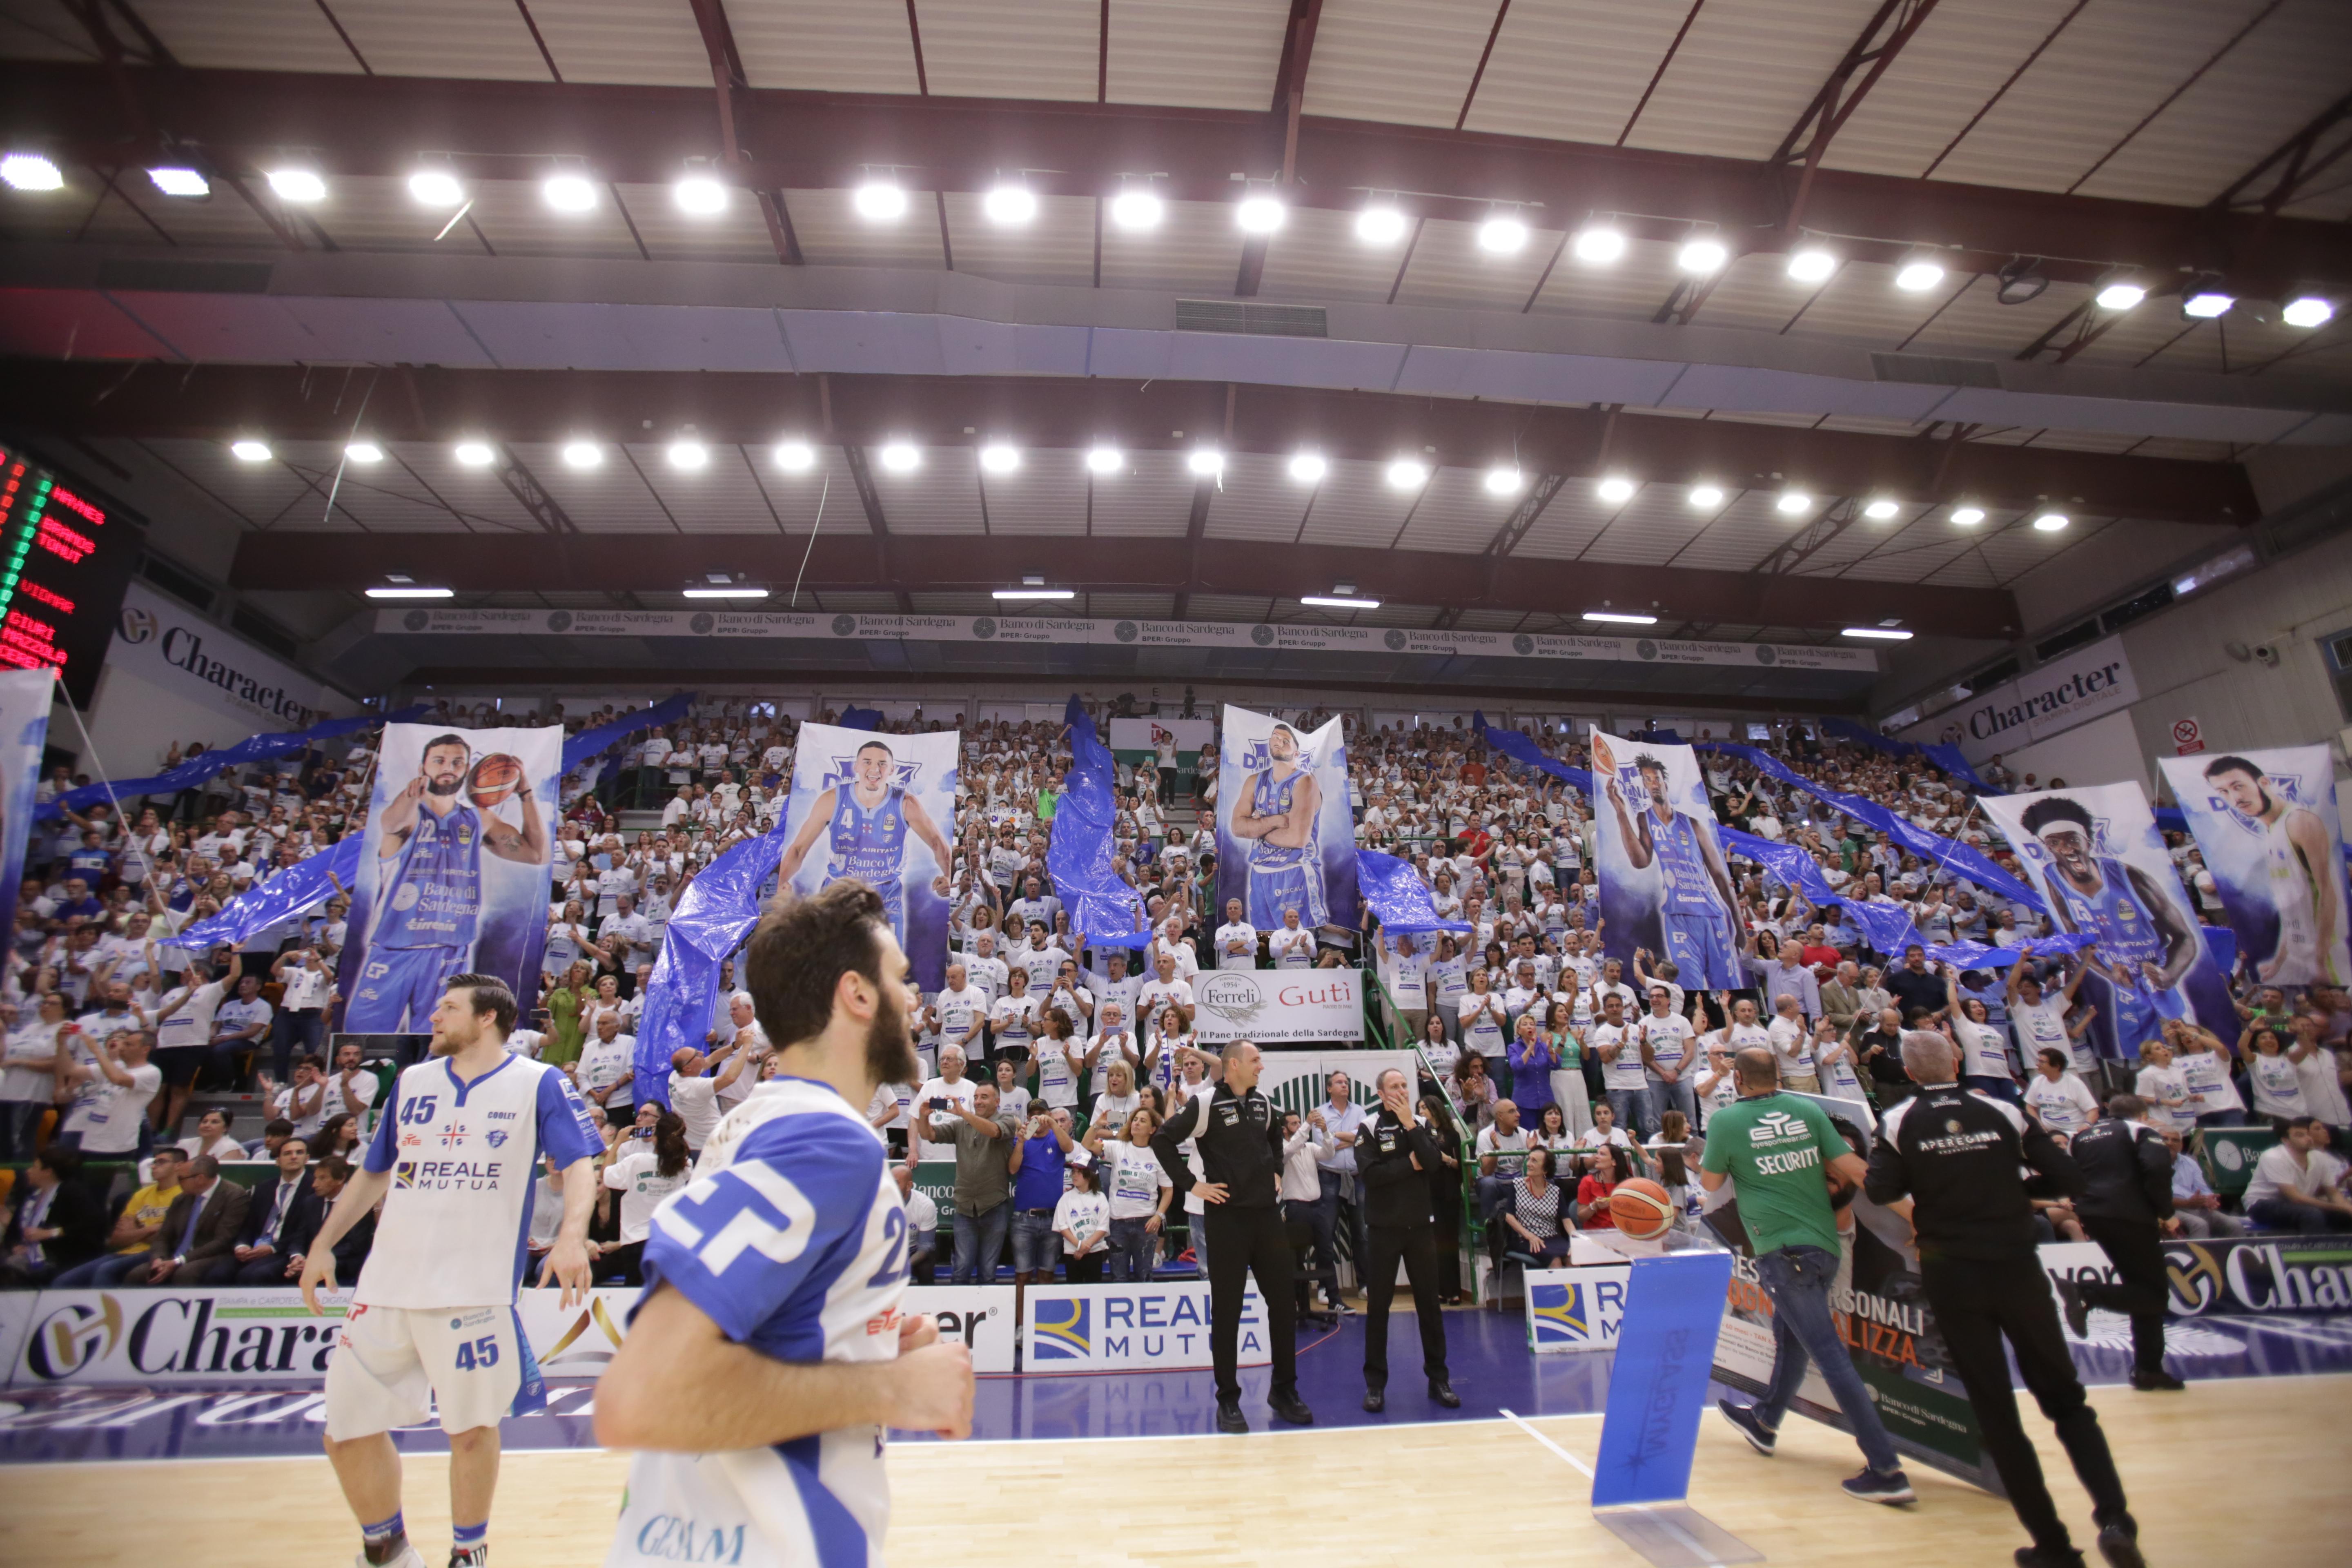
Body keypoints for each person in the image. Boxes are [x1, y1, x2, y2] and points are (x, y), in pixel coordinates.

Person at [596, 880, 976, 1567]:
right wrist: (891, 1389)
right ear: (857, 995)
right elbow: (643, 1397)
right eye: (900, 979)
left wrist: (864, 1346)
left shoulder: (757, 1121)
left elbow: (755, 1333)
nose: (915, 1001)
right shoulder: (826, 1142)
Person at [300, 973, 601, 1568]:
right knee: (345, 1431)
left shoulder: (538, 1081)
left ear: (488, 1018)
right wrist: (323, 1244)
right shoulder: (413, 1080)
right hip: (387, 1284)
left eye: (449, 1007)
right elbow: (374, 1171)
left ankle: (469, 1553)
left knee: (469, 1430)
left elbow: (580, 1163)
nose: (434, 1017)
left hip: (473, 1288)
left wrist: (572, 1235)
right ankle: (388, 1548)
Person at [1864, 1031, 2143, 1568]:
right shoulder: (2004, 1110)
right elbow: (2067, 1177)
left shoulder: (1898, 1121)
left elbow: (1880, 1190)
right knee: (2067, 1400)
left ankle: (2053, 1546)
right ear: (1957, 1061)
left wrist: (1936, 1184)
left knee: (1998, 1415)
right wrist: (2013, 1189)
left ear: (1910, 1073)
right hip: (2016, 1266)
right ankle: (2115, 1521)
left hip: (1952, 1272)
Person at [1706, 1047, 1914, 1506]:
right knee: (1792, 1340)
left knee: (1830, 1357)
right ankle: (1765, 1422)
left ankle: (1887, 1469)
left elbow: (1710, 1183)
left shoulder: (1726, 1121)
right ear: (1778, 1075)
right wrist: (1915, 1215)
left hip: (1783, 1254)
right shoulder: (1808, 1110)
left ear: (1738, 1079)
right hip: (1824, 1249)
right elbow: (1859, 1170)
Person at [1152, 1039, 1312, 1434]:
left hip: (1267, 1217)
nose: (1262, 1066)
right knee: (1228, 1312)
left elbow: (1275, 1139)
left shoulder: (1264, 1103)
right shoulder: (1206, 1103)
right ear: (1235, 1065)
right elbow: (1162, 1140)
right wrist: (1193, 1185)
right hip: (1226, 1220)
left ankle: (1284, 1390)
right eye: (1256, 1060)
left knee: (1284, 1304)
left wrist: (1276, 1170)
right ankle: (1228, 1399)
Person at [345, 735, 547, 1032]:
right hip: (395, 945)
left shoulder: (478, 819)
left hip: (451, 949)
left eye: (457, 762)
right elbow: (391, 824)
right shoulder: (408, 813)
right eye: (439, 761)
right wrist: (411, 795)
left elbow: (537, 854)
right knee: (363, 1038)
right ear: (423, 767)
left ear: (468, 771)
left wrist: (526, 793)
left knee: (440, 1043)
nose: (448, 768)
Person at [774, 737, 956, 951]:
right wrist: (782, 883)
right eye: (867, 762)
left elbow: (937, 844)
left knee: (887, 965)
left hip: (886, 895)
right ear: (857, 767)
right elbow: (798, 850)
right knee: (831, 962)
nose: (875, 769)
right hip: (839, 891)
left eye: (882, 764)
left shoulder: (906, 803)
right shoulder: (832, 799)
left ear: (892, 770)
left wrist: (947, 876)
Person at [2056, 1094, 2183, 1392]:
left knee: (2140, 1289)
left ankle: (2148, 1370)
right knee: (2154, 1294)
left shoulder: (2081, 1137)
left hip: (2093, 1214)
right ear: (2143, 1115)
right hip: (2130, 1215)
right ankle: (2086, 1293)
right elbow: (2157, 1169)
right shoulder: (2141, 1131)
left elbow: (2068, 1175)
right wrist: (2166, 1213)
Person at [1596, 737, 1741, 983]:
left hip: (1711, 914)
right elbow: (1640, 861)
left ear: (1665, 781)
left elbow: (1719, 875)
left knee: (1729, 987)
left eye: (1657, 779)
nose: (1653, 784)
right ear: (1644, 785)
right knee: (1688, 987)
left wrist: (1738, 926)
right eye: (1648, 780)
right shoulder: (1645, 818)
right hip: (1677, 915)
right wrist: (1621, 812)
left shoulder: (1692, 823)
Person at [1355, 1065, 1456, 1412]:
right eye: (1394, 1087)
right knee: (1378, 1308)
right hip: (1383, 1229)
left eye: (1404, 1085)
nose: (1401, 1091)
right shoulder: (1369, 1126)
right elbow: (1371, 1175)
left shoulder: (1422, 1124)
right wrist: (1408, 1165)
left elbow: (1433, 1163)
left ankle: (1439, 1379)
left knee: (1429, 1305)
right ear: (1381, 1094)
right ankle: (1375, 1385)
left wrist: (1411, 1127)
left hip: (1420, 1228)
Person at [2201, 754, 2349, 985]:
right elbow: (2292, 907)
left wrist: (2320, 960)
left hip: (2326, 958)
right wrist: (2279, 960)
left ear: (2264, 783)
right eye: (2224, 792)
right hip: (2301, 958)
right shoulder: (2271, 832)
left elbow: (2329, 893)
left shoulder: (2299, 822)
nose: (2236, 798)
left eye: (2238, 786)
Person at [1228, 723, 1327, 929]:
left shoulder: (1305, 782)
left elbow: (1297, 839)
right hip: (1260, 873)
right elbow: (1237, 828)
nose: (1279, 742)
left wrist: (1257, 829)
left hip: (1295, 871)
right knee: (1265, 940)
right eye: (1275, 737)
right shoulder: (1254, 781)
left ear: (1297, 753)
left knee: (1300, 940)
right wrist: (1277, 821)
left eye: (1286, 741)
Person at [919, 1081, 1019, 1285]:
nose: (978, 1101)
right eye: (976, 1097)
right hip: (964, 1207)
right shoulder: (961, 1125)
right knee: (962, 1268)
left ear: (997, 1101)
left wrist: (964, 1113)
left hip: (994, 1206)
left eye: (984, 1097)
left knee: (988, 1271)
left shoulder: (1007, 1120)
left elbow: (994, 1131)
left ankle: (987, 1306)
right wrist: (923, 1116)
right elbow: (928, 1134)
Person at [52, 1144, 183, 1288]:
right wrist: (150, 1229)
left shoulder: (182, 1194)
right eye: (154, 1162)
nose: (154, 1166)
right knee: (63, 1281)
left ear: (178, 1166)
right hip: (126, 1251)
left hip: (153, 1253)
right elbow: (117, 1239)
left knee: (106, 1270)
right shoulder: (142, 1194)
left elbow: (166, 1237)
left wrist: (136, 1228)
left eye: (161, 1162)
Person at [599, 1110, 693, 1286]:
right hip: (667, 1240)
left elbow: (605, 1175)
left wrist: (618, 1142)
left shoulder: (637, 1161)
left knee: (635, 1294)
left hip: (636, 1241)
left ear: (656, 1137)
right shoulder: (685, 1165)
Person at [0, 1145, 106, 1287]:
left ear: (48, 1172)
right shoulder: (30, 1195)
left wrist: (50, 1234)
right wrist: (16, 1246)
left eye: (34, 1167)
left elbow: (94, 1223)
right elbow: (12, 1233)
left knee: (12, 1270)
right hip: (27, 1256)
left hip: (62, 1257)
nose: (28, 1171)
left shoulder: (71, 1192)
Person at [2240, 1115, 2352, 1232]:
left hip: (2298, 1205)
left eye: (2308, 1134)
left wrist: (2348, 1209)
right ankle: (2313, 1245)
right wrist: (2339, 1208)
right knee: (2312, 1215)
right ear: (2286, 1140)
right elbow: (2295, 1198)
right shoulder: (2273, 1157)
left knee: (2344, 1216)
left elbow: (2333, 1193)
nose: (2308, 1138)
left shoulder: (2320, 1158)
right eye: (2300, 1135)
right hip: (2261, 1204)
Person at [1501, 1143, 1572, 1261]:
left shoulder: (1555, 1191)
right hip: (1525, 1238)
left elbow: (1567, 1221)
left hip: (1552, 1237)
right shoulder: (1517, 1185)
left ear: (1545, 1169)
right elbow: (1509, 1216)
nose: (1529, 1164)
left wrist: (1575, 1240)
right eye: (1529, 1159)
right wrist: (1529, 1236)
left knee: (1573, 1258)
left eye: (1534, 1161)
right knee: (1555, 1260)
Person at [1054, 1159, 1111, 1282]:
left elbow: (1103, 1227)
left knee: (1094, 1290)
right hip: (1072, 1253)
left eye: (1079, 1172)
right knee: (1074, 1290)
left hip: (1095, 1252)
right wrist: (1079, 1245)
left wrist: (1086, 1247)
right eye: (1073, 1172)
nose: (1074, 1175)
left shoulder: (1100, 1198)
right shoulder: (1066, 1198)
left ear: (1090, 1175)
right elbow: (1062, 1226)